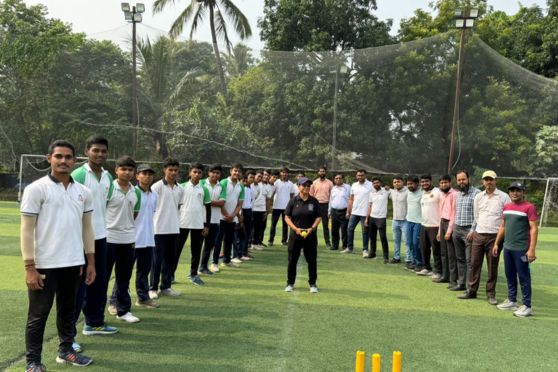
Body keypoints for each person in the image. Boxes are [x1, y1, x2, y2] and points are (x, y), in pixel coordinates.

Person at [21, 140, 95, 370]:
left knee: (68, 311)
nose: (63, 161)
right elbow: (26, 229)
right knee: (38, 315)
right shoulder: (36, 189)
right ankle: (33, 362)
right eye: (59, 156)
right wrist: (30, 267)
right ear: (49, 158)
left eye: (68, 157)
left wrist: (89, 261)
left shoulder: (83, 192)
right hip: (44, 264)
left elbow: (87, 228)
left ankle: (66, 351)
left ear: (75, 161)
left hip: (73, 263)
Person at [71, 136, 117, 348]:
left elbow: (103, 205)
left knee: (99, 281)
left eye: (103, 151)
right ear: (87, 151)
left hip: (101, 236)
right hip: (79, 239)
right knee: (76, 288)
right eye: (96, 150)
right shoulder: (79, 174)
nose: (100, 154)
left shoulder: (107, 176)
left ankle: (94, 323)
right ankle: (68, 337)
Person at [459, 170, 511, 305]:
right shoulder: (479, 197)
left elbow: (506, 218)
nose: (488, 182)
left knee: (492, 266)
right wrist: (476, 230)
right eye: (486, 179)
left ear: (495, 180)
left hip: (495, 237)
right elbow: (476, 216)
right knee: (474, 264)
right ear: (483, 181)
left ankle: (491, 294)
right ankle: (471, 291)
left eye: (491, 179)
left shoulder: (504, 197)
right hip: (479, 235)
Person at [493, 181, 538, 317]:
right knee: (510, 274)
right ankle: (512, 300)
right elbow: (503, 226)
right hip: (507, 248)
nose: (514, 193)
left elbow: (534, 229)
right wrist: (496, 243)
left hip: (522, 249)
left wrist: (532, 250)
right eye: (512, 190)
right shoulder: (507, 207)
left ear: (523, 192)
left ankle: (527, 306)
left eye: (518, 190)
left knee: (524, 276)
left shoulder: (529, 207)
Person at [105, 156, 141, 323]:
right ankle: (94, 316)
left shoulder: (136, 191)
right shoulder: (108, 188)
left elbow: (134, 214)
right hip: (108, 238)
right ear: (116, 170)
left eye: (130, 169)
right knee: (101, 278)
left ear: (134, 172)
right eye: (123, 169)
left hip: (128, 240)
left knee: (124, 278)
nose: (127, 172)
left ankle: (123, 311)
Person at [150, 158, 183, 298]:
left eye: (175, 170)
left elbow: (178, 207)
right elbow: (151, 207)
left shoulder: (180, 188)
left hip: (174, 229)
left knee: (170, 259)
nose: (173, 172)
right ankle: (152, 288)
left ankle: (166, 287)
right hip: (158, 229)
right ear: (164, 170)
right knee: (156, 260)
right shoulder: (156, 187)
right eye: (170, 170)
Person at [284, 177, 322, 293]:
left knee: (312, 260)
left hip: (310, 236)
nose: (306, 187)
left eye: (308, 186)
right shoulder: (293, 201)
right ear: (299, 186)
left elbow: (318, 217)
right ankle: (290, 283)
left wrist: (312, 228)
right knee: (292, 260)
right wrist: (295, 229)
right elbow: (287, 217)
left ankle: (313, 284)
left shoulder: (314, 201)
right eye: (304, 185)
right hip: (295, 236)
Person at [177, 163, 212, 286]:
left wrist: (207, 225)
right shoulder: (181, 187)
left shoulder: (204, 189)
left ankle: (193, 274)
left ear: (202, 174)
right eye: (194, 172)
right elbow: (176, 206)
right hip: (182, 223)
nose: (197, 174)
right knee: (176, 251)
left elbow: (208, 208)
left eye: (199, 172)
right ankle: (170, 275)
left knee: (196, 251)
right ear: (190, 172)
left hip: (198, 224)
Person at [132, 164, 159, 308]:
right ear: (137, 176)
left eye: (150, 174)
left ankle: (142, 298)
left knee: (144, 271)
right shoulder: (132, 192)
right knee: (123, 274)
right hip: (132, 239)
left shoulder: (154, 194)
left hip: (148, 239)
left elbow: (152, 214)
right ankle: (115, 301)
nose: (147, 176)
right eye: (144, 173)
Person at [450, 171, 479, 291]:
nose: (461, 182)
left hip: (469, 230)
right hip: (457, 228)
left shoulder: (477, 194)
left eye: (463, 179)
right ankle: (461, 283)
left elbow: (478, 214)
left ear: (469, 179)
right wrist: (453, 228)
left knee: (469, 260)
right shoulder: (457, 194)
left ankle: (469, 287)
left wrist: (473, 230)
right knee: (459, 258)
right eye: (459, 180)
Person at [218, 163, 245, 267]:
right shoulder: (223, 182)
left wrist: (233, 216)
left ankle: (226, 261)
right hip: (221, 216)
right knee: (218, 240)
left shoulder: (241, 186)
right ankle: (214, 262)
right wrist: (227, 215)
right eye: (235, 171)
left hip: (232, 218)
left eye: (239, 171)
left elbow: (239, 204)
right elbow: (220, 201)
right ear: (231, 171)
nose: (237, 173)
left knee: (229, 240)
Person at [199, 164, 224, 274]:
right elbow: (199, 200)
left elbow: (222, 203)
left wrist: (207, 201)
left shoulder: (221, 186)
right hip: (200, 219)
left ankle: (203, 267)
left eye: (217, 173)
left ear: (220, 174)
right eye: (213, 172)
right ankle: (194, 270)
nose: (215, 174)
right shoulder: (201, 183)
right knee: (198, 246)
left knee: (209, 245)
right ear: (208, 173)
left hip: (215, 220)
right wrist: (214, 202)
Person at [417, 174, 441, 278]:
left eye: (426, 181)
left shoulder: (438, 192)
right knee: (424, 248)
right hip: (424, 225)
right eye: (422, 182)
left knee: (436, 250)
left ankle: (439, 271)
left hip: (435, 225)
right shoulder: (422, 193)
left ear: (431, 181)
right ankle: (426, 268)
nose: (424, 183)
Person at [436, 175, 456, 286]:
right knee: (443, 252)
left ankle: (453, 280)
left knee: (451, 254)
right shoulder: (441, 194)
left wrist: (449, 231)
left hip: (450, 224)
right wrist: (440, 231)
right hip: (442, 223)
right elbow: (440, 213)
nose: (443, 184)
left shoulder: (454, 194)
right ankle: (445, 276)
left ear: (450, 183)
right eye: (442, 183)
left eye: (445, 182)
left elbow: (454, 213)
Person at [347, 169, 372, 256]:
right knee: (350, 229)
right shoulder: (354, 185)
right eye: (358, 175)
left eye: (362, 175)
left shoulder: (370, 185)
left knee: (365, 232)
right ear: (356, 176)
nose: (360, 177)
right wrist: (348, 211)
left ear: (365, 176)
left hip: (365, 213)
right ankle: (349, 248)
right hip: (354, 212)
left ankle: (365, 250)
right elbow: (351, 199)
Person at [365, 177, 390, 263]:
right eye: (374, 183)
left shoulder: (386, 191)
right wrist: (367, 218)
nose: (376, 184)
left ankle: (386, 257)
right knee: (372, 237)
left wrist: (389, 188)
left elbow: (394, 192)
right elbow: (370, 205)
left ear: (381, 183)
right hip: (372, 217)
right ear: (372, 184)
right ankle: (372, 253)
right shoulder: (371, 192)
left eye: (377, 182)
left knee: (383, 237)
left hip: (381, 218)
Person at [269, 167, 296, 246]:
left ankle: (284, 241)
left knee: (285, 225)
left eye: (286, 172)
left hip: (286, 208)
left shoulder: (290, 184)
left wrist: (291, 207)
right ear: (280, 173)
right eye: (283, 172)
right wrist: (270, 205)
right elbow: (272, 193)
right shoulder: (276, 182)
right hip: (276, 206)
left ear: (288, 174)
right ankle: (271, 240)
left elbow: (291, 196)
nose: (284, 174)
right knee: (273, 224)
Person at [309, 166, 333, 249]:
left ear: (325, 172)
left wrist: (330, 209)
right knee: (314, 225)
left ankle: (328, 243)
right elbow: (311, 196)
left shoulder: (330, 183)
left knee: (325, 226)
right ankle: (312, 242)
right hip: (316, 205)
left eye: (323, 171)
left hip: (325, 205)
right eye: (320, 171)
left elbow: (331, 196)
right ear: (318, 172)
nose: (322, 172)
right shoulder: (314, 183)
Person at [389, 175, 408, 264]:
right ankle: (397, 257)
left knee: (407, 241)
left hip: (405, 221)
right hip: (395, 220)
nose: (396, 183)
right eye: (394, 182)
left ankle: (409, 259)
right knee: (396, 240)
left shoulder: (408, 191)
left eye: (398, 182)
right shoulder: (392, 192)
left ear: (402, 182)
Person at [329, 174, 351, 252]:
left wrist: (349, 211)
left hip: (344, 212)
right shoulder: (333, 188)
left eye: (339, 178)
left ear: (343, 179)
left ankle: (345, 246)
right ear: (334, 180)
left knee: (344, 230)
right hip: (334, 211)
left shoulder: (347, 187)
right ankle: (335, 246)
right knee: (334, 230)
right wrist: (329, 211)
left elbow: (350, 200)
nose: (338, 179)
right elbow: (331, 200)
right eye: (336, 178)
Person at [405, 175, 423, 271]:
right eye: (408, 184)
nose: (409, 186)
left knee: (416, 243)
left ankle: (419, 263)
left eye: (411, 184)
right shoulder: (408, 192)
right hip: (409, 221)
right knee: (410, 243)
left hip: (419, 222)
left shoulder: (422, 192)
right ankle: (413, 261)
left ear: (417, 183)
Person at [238, 171, 255, 260]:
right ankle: (240, 253)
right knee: (242, 233)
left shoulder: (250, 188)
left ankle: (244, 252)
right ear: (245, 179)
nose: (252, 179)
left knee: (247, 233)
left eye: (253, 177)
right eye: (251, 177)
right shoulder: (242, 188)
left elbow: (251, 200)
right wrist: (241, 214)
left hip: (248, 211)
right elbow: (240, 203)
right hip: (242, 211)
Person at [251, 170, 268, 250]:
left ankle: (256, 243)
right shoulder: (250, 185)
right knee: (253, 227)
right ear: (255, 176)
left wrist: (266, 211)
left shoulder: (259, 186)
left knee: (258, 227)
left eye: (261, 177)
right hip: (253, 209)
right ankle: (251, 243)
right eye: (258, 176)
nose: (260, 178)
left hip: (261, 210)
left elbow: (267, 199)